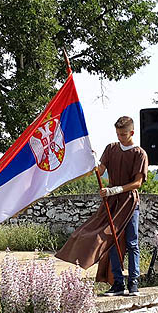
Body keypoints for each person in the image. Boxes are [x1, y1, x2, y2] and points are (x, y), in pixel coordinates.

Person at [56, 116, 149, 296]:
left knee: (132, 243)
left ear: (132, 132)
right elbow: (100, 171)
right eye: (118, 134)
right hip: (111, 202)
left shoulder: (140, 154)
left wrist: (115, 189)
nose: (120, 137)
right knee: (110, 240)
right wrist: (90, 160)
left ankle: (134, 283)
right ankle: (117, 283)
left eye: (123, 134)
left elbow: (137, 183)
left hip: (129, 202)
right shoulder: (111, 148)